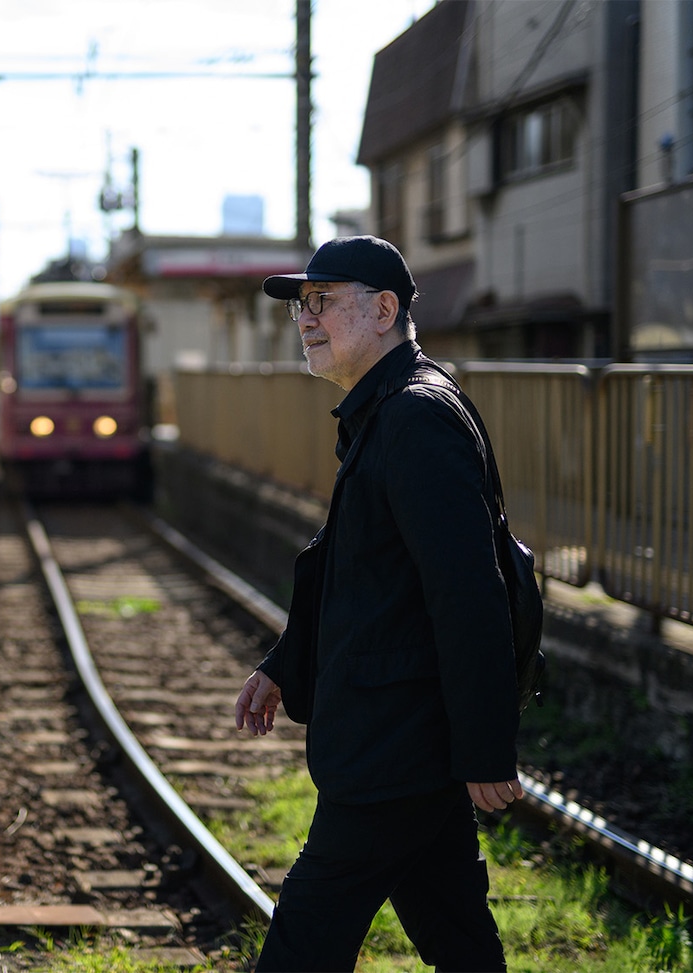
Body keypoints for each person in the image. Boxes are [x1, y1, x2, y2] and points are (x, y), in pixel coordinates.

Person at [234, 235, 521, 972]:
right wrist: (283, 665)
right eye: (303, 304)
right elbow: (352, 573)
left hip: (392, 744)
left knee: (303, 940)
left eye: (323, 300)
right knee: (461, 944)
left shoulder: (415, 416)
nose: (305, 318)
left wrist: (486, 745)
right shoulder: (386, 409)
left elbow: (469, 590)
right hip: (403, 738)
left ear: (385, 308)